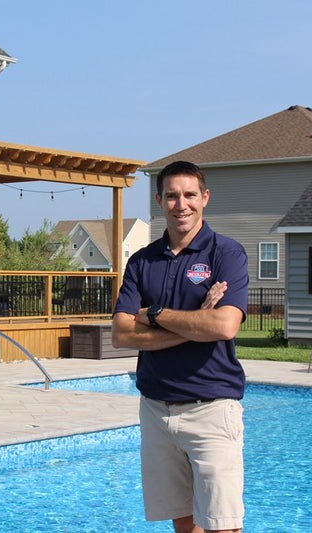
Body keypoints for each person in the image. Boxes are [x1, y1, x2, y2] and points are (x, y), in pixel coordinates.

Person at [112, 160, 249, 533]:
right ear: (159, 200)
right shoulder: (142, 261)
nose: (181, 204)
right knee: (184, 523)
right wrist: (196, 321)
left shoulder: (226, 254)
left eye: (190, 195)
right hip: (156, 410)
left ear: (205, 198)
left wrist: (154, 314)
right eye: (172, 196)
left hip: (211, 408)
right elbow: (121, 334)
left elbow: (224, 325)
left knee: (223, 525)